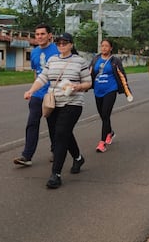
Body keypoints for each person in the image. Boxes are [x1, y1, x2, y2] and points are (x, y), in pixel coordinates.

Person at [23, 32, 91, 189]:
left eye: (65, 42)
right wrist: (31, 91)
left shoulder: (80, 62)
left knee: (60, 134)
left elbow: (88, 83)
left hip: (73, 103)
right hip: (53, 103)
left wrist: (77, 87)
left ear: (71, 44)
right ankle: (78, 158)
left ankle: (56, 174)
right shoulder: (52, 60)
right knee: (63, 133)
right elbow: (42, 78)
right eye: (59, 43)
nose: (61, 45)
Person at [13, 24, 58, 168]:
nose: (39, 37)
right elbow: (36, 72)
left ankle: (56, 151)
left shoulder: (57, 50)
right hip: (38, 94)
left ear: (49, 35)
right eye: (37, 34)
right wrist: (33, 90)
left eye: (42, 34)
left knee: (53, 125)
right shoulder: (34, 52)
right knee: (32, 123)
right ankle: (27, 156)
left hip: (53, 94)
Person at [90, 39, 128, 152]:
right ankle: (110, 132)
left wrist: (127, 90)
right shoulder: (96, 59)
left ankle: (102, 143)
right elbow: (90, 72)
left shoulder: (115, 60)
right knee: (102, 115)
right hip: (98, 90)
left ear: (111, 48)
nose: (104, 48)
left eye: (106, 46)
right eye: (102, 46)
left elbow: (122, 75)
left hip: (110, 89)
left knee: (106, 115)